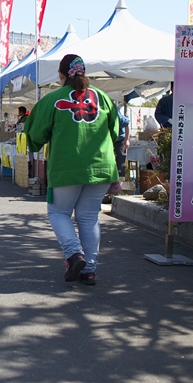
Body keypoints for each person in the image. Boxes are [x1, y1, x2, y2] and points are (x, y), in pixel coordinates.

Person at [24, 54, 119, 286]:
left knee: (59, 213)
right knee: (89, 217)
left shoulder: (52, 99)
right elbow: (115, 131)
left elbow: (35, 133)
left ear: (61, 75)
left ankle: (75, 254)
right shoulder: (103, 98)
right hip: (101, 166)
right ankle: (90, 270)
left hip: (67, 167)